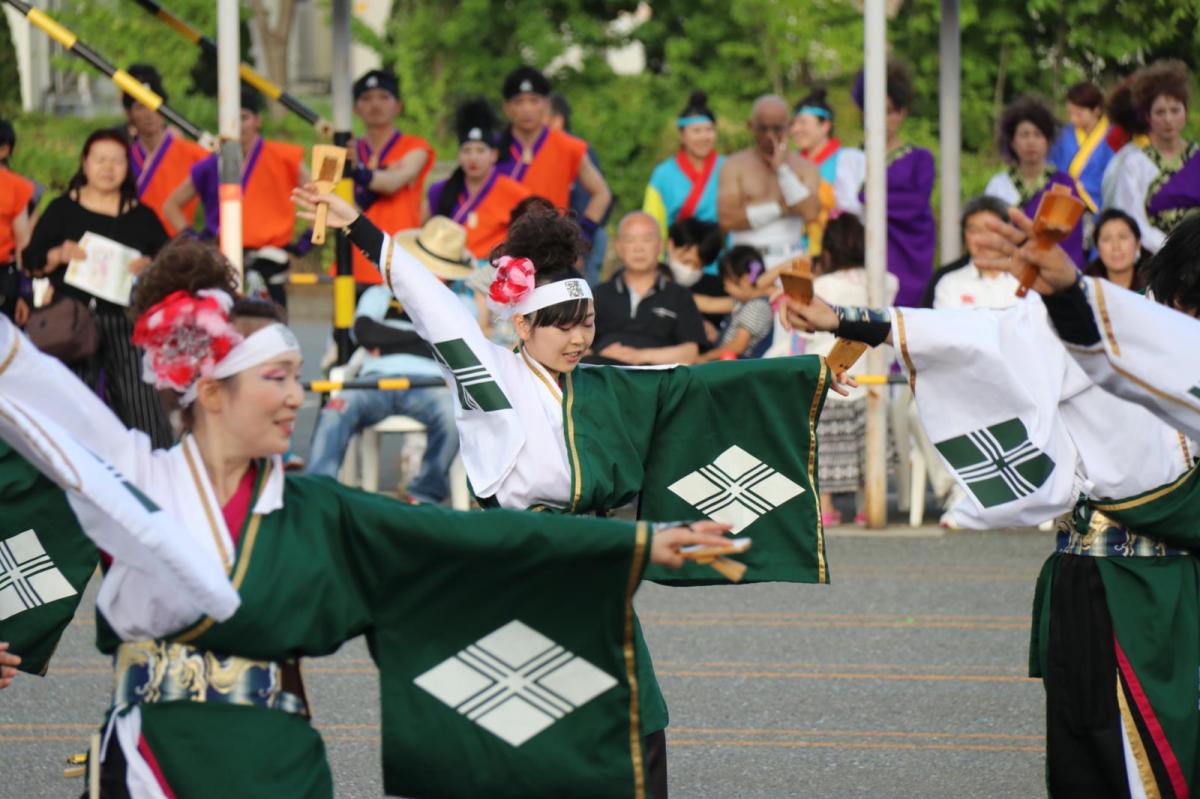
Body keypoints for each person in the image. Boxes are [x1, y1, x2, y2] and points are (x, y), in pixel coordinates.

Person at [0, 236, 734, 794]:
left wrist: (635, 545)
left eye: (297, 377)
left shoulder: (315, 508)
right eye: (277, 377)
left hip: (277, 767)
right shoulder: (131, 476)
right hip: (149, 764)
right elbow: (25, 380)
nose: (298, 397)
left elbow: (466, 539)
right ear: (213, 390)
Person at [781, 219, 1200, 798]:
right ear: (1181, 295)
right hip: (1111, 584)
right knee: (1113, 766)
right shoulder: (1107, 326)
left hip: (1183, 583)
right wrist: (847, 320)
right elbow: (983, 337)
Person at [21, 127, 173, 447]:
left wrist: (150, 266)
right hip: (72, 322)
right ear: (85, 163)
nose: (108, 167)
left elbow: (170, 261)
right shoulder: (62, 209)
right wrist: (58, 254)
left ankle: (151, 467)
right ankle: (69, 467)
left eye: (116, 161)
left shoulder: (142, 216)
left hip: (126, 323)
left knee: (142, 406)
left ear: (127, 167)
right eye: (100, 159)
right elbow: (30, 259)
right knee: (70, 406)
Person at [306, 217, 468, 503]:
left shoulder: (460, 303)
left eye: (438, 271)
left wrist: (387, 340)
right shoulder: (380, 292)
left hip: (431, 385)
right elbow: (364, 332)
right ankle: (316, 494)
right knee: (335, 410)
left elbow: (457, 348)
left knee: (454, 418)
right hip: (373, 381)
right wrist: (425, 340)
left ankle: (423, 495)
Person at [163, 87, 308, 308]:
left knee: (268, 323)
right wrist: (195, 239)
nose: (237, 125)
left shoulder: (283, 157)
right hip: (221, 261)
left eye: (244, 117)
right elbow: (171, 205)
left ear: (257, 120)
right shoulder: (211, 164)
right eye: (231, 119)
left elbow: (319, 196)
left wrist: (303, 245)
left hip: (268, 261)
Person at [797, 214, 896, 524]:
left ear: (827, 251)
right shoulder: (886, 282)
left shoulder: (820, 286)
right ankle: (868, 505)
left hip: (829, 376)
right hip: (870, 379)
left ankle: (826, 508)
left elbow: (803, 333)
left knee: (826, 451)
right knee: (869, 449)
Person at [848, 63, 937, 306]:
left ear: (902, 113)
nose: (882, 119)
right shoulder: (851, 158)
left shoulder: (920, 158)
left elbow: (916, 203)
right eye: (873, 111)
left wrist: (865, 198)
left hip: (906, 256)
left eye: (889, 111)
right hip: (858, 255)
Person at [495, 66, 611, 243]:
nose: (527, 109)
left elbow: (602, 193)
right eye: (519, 101)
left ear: (547, 104)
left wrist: (582, 235)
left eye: (534, 101)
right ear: (507, 107)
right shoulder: (492, 150)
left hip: (550, 246)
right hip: (501, 246)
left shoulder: (568, 146)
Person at [347, 69, 436, 287]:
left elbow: (392, 184)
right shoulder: (348, 150)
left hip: (401, 261)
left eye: (384, 97)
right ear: (355, 108)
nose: (375, 104)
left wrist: (357, 169)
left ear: (398, 106)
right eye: (366, 98)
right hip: (355, 262)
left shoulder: (416, 147)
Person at [589, 211, 707, 366]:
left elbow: (690, 353)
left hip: (658, 377)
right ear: (619, 247)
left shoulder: (679, 295)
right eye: (630, 240)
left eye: (647, 239)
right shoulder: (598, 294)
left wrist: (638, 356)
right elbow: (578, 343)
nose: (638, 248)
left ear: (660, 245)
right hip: (604, 374)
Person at [717, 94, 821, 268]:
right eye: (763, 129)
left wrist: (783, 170)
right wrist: (780, 208)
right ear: (750, 126)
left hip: (792, 260)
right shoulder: (734, 166)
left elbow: (811, 213)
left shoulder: (805, 167)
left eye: (777, 129)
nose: (769, 136)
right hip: (747, 263)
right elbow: (727, 220)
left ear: (789, 126)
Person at [1108, 60, 1200, 254]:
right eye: (1160, 112)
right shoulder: (1134, 163)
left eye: (1175, 110)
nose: (1168, 119)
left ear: (1186, 112)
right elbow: (1132, 220)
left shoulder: (1197, 157)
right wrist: (1172, 251)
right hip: (1155, 259)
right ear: (1148, 117)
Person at [985, 95, 1086, 269]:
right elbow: (989, 232)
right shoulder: (998, 185)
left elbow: (1072, 238)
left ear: (1048, 141)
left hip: (1053, 272)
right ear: (1012, 142)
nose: (1031, 141)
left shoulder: (1064, 184)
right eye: (1024, 135)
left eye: (1038, 134)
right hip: (1009, 270)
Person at [424, 98, 530, 260]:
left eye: (480, 150)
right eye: (467, 150)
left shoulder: (515, 193)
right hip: (446, 266)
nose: (473, 158)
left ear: (493, 155)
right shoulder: (440, 190)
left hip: (493, 269)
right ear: (459, 155)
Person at [121, 63, 209, 236]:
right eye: (140, 107)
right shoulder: (121, 157)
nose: (149, 114)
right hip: (133, 243)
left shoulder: (194, 153)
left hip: (179, 243)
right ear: (129, 113)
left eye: (155, 105)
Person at [788, 87, 866, 254]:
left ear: (825, 126)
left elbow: (858, 210)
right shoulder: (788, 164)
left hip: (839, 253)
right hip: (795, 255)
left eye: (802, 122)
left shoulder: (849, 160)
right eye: (793, 123)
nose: (795, 129)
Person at [643, 90, 725, 243]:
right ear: (682, 135)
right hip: (679, 251)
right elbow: (652, 222)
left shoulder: (728, 167)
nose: (704, 137)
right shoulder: (663, 174)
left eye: (709, 130)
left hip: (721, 250)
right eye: (696, 131)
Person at [548, 92, 612, 286]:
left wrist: (578, 244)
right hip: (563, 239)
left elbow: (591, 199)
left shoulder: (573, 149)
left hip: (582, 237)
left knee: (582, 294)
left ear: (557, 120)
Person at [921, 195, 1020, 310]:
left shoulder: (1029, 279)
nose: (984, 239)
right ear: (964, 237)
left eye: (992, 230)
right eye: (975, 230)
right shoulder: (949, 282)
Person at [1047, 81, 1115, 220]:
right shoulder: (1063, 136)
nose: (1073, 119)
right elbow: (1050, 166)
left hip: (1099, 207)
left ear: (1096, 110)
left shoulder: (1113, 137)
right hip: (1065, 204)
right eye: (1070, 113)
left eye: (1078, 114)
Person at [696, 244, 774, 362]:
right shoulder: (744, 303)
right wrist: (717, 336)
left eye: (727, 283)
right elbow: (708, 303)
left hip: (738, 366)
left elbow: (738, 346)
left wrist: (704, 357)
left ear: (744, 281)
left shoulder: (756, 307)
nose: (725, 288)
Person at [666, 217, 729, 342]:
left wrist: (717, 336)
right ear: (671, 245)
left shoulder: (717, 287)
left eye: (697, 265)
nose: (689, 270)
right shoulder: (652, 279)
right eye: (685, 261)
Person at [0, 119, 35, 325]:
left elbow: (23, 242)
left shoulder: (15, 187)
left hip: (4, 277)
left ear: (4, 150)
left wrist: (25, 291)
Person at [1083, 208, 1148, 291]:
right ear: (1097, 247)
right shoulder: (1085, 288)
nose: (1116, 246)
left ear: (1138, 244)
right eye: (1107, 239)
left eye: (1122, 237)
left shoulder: (1155, 285)